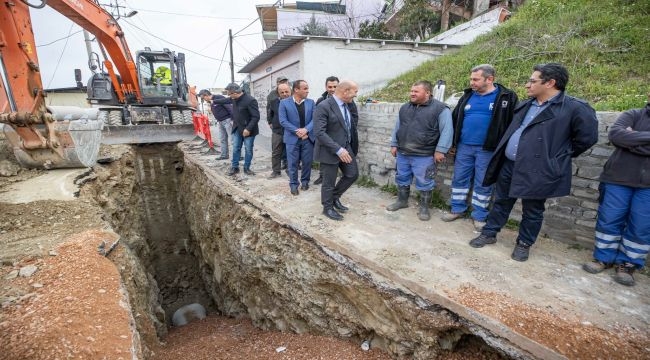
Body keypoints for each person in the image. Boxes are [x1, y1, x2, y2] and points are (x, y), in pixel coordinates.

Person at [469, 63, 598, 262]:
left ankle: (524, 244)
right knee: (501, 201)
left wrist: (556, 157)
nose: (527, 85)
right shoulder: (526, 104)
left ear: (550, 83)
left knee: (533, 209)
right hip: (510, 164)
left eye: (532, 81)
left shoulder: (574, 108)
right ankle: (489, 233)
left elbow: (587, 138)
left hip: (539, 169)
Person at [441, 64, 518, 230]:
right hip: (464, 147)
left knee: (483, 182)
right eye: (471, 79)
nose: (471, 82)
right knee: (459, 178)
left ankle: (479, 215)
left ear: (489, 79)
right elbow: (456, 120)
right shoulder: (467, 96)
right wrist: (453, 143)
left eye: (475, 79)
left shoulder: (506, 97)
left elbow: (513, 123)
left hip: (488, 149)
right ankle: (457, 209)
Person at [582, 102, 650, 286]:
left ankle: (628, 264)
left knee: (642, 225)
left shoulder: (634, 122)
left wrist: (635, 139)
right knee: (609, 218)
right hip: (618, 178)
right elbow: (617, 136)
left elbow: (627, 140)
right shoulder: (634, 113)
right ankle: (603, 258)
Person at [386, 80, 453, 221]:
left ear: (427, 93)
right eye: (411, 91)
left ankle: (424, 208)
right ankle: (402, 201)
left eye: (416, 91)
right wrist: (394, 144)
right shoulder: (405, 107)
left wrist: (440, 150)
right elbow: (398, 127)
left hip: (424, 154)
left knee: (425, 181)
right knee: (402, 177)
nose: (412, 93)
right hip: (403, 152)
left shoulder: (441, 109)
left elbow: (447, 131)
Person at [313, 80, 360, 221]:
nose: (356, 95)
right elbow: (319, 132)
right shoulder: (323, 106)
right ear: (345, 91)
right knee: (329, 181)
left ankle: (334, 197)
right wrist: (338, 150)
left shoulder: (348, 104)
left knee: (352, 174)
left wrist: (347, 145)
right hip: (330, 150)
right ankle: (327, 208)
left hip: (346, 147)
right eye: (354, 92)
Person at [214, 83, 260, 176]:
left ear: (234, 93)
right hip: (237, 128)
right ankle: (235, 167)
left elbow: (256, 117)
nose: (228, 96)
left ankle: (247, 168)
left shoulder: (250, 100)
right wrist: (213, 101)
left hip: (249, 131)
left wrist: (248, 129)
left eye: (229, 94)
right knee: (235, 148)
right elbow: (225, 100)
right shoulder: (234, 99)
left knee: (248, 150)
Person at [279, 80, 316, 195]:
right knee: (292, 163)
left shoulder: (311, 102)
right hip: (292, 138)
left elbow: (315, 119)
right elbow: (283, 121)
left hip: (307, 138)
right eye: (305, 88)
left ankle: (305, 181)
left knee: (307, 162)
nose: (307, 91)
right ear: (296, 89)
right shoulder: (284, 103)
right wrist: (297, 131)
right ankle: (294, 184)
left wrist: (306, 130)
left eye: (307, 88)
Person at [198, 89, 233, 160]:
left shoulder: (219, 98)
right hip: (220, 122)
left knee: (233, 139)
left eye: (203, 98)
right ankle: (224, 155)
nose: (203, 100)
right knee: (222, 139)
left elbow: (229, 108)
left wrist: (233, 119)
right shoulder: (211, 102)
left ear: (206, 95)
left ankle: (239, 156)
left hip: (227, 120)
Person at [267, 83, 292, 178]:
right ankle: (276, 171)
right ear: (278, 93)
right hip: (277, 131)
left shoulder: (295, 102)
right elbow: (270, 113)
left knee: (291, 151)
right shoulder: (274, 102)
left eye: (287, 91)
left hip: (290, 131)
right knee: (276, 151)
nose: (285, 94)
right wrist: (270, 122)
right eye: (282, 92)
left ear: (290, 91)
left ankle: (290, 169)